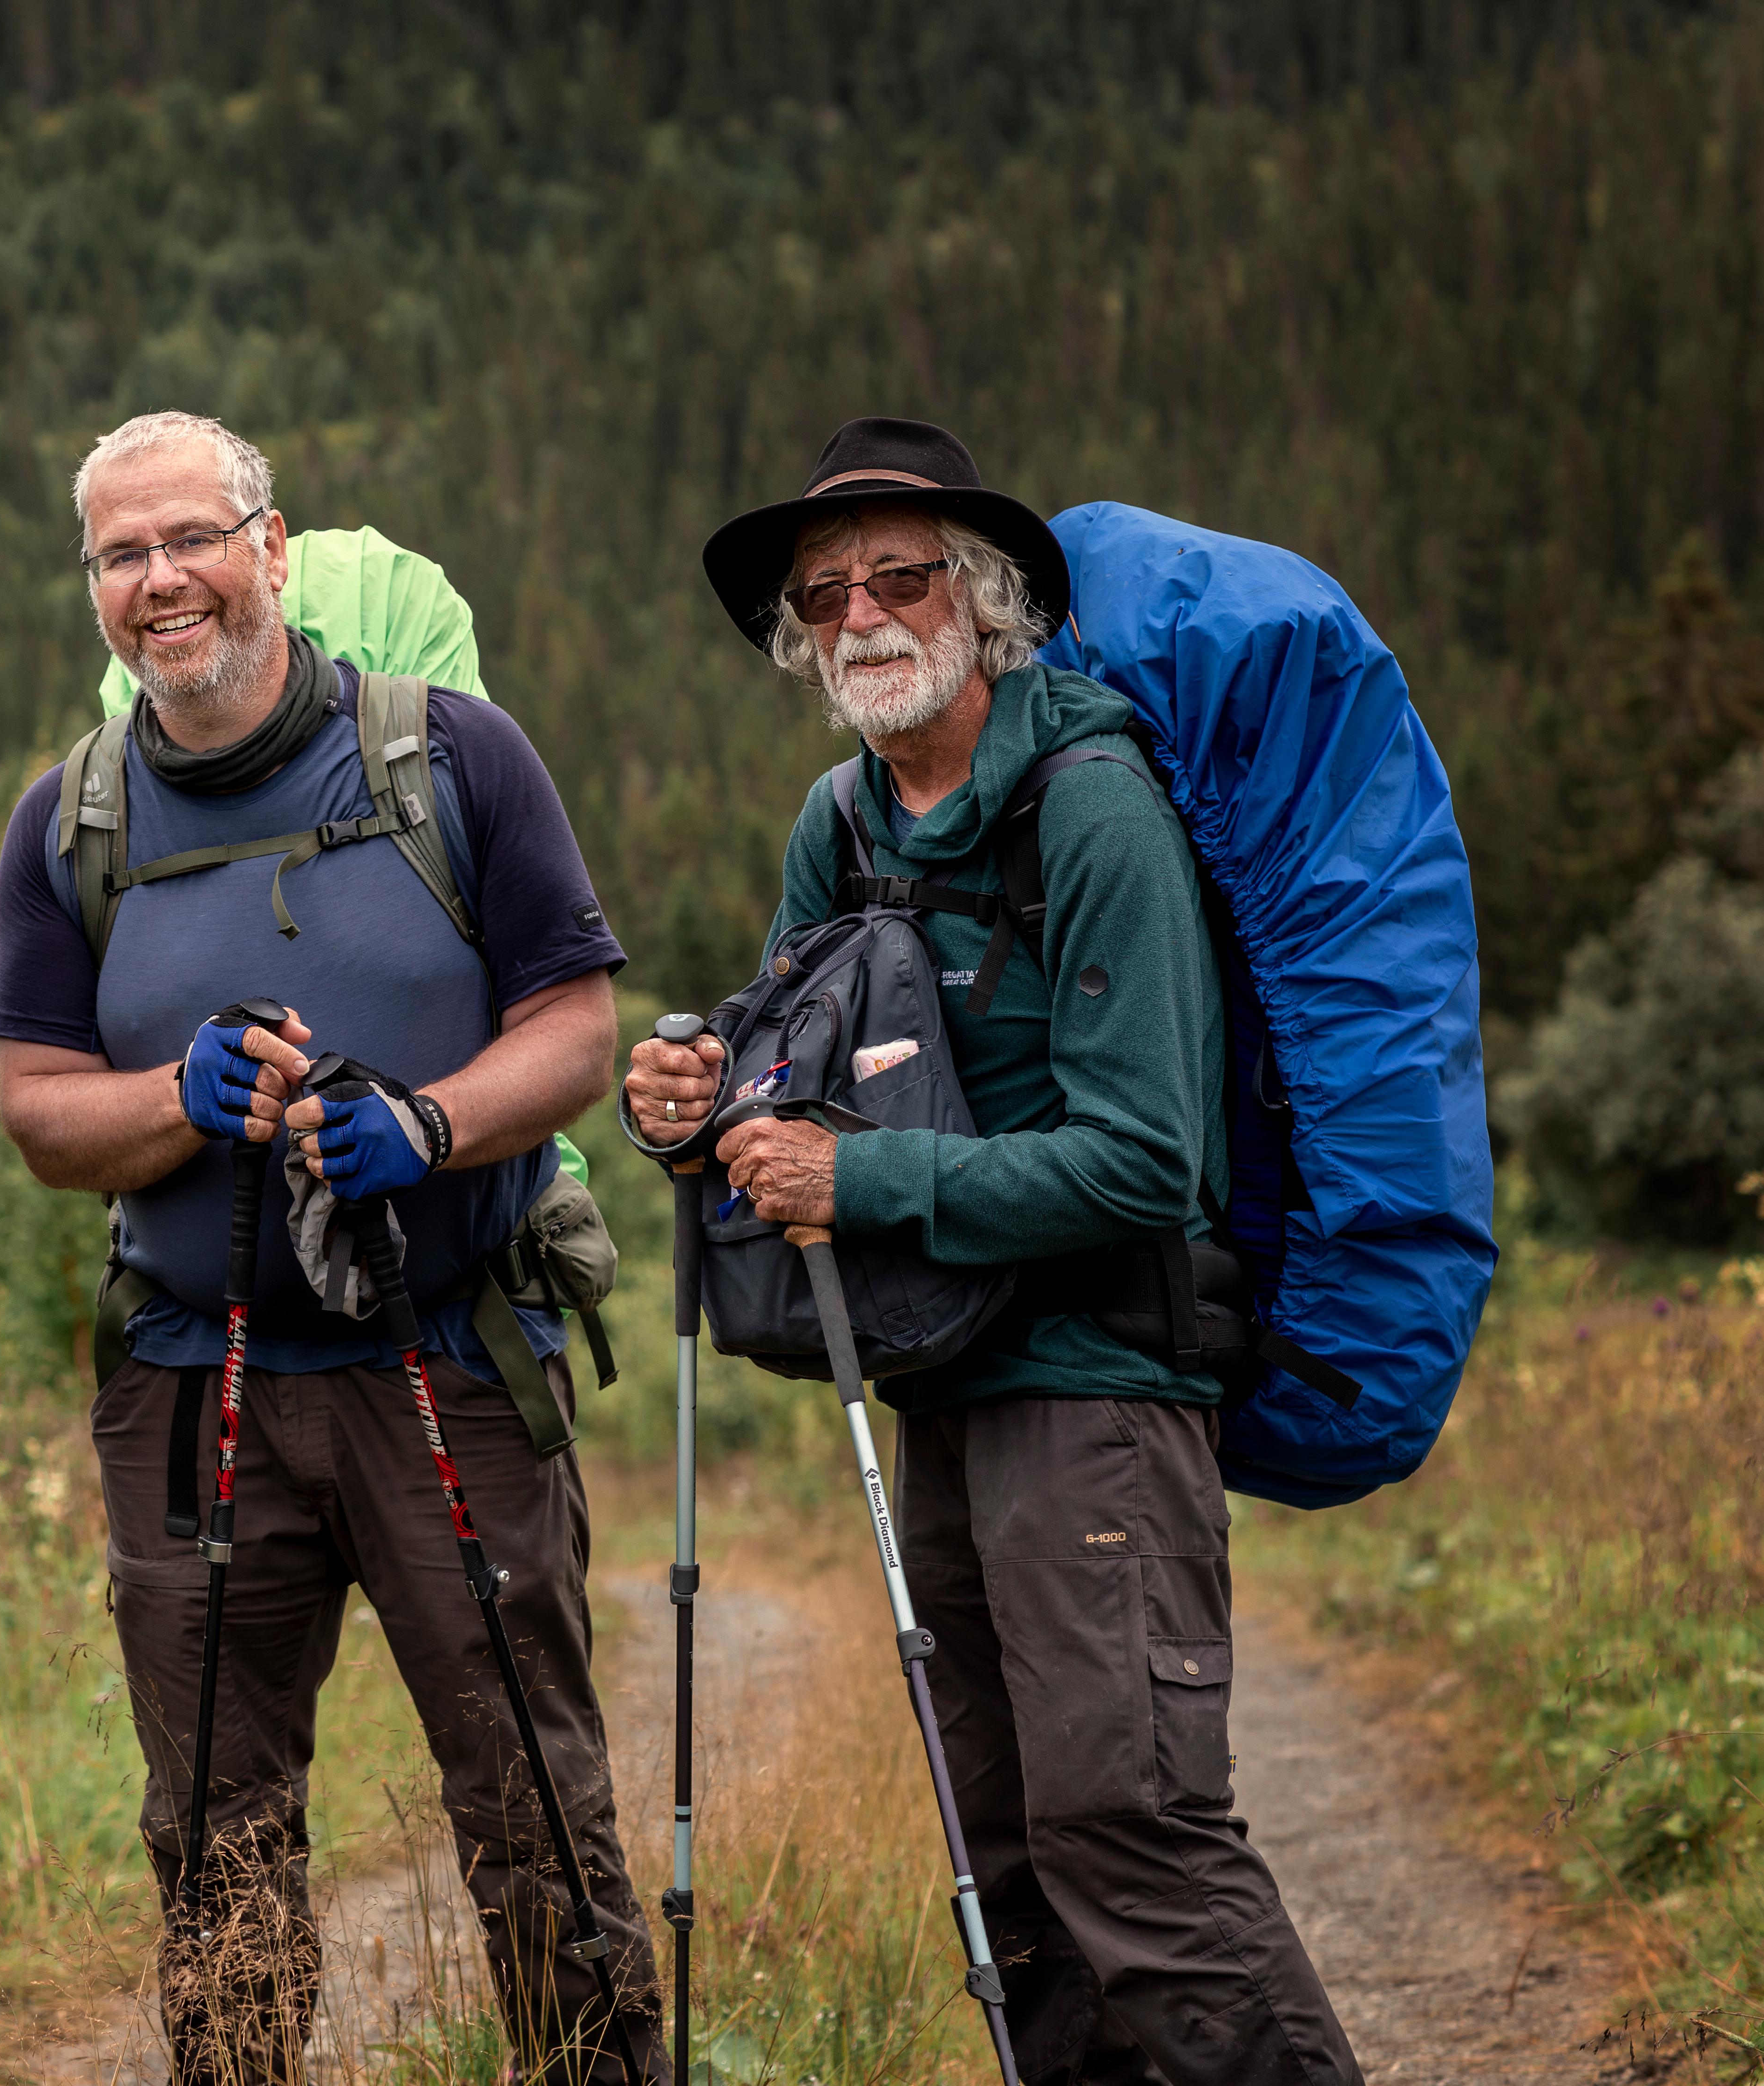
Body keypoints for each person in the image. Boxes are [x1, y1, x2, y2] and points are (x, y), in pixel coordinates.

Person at [627, 418, 1361, 2084]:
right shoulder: (844, 821)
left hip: (1101, 1388)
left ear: (991, 599)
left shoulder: (1094, 806)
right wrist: (693, 1109)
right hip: (941, 1386)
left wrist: (858, 1180)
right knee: (1008, 1857)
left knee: (1134, 1838)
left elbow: (1143, 1160)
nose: (865, 614)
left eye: (905, 574)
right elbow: (785, 1076)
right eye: (827, 594)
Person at [0, 411, 656, 2085]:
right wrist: (179, 1099)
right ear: (96, 589)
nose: (164, 581)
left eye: (194, 538)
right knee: (213, 1827)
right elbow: (39, 1114)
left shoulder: (456, 756)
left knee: (531, 1802)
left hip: (449, 1357)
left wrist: (429, 1126)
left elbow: (577, 1029)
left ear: (272, 548)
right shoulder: (67, 821)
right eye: (124, 555)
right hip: (193, 1387)